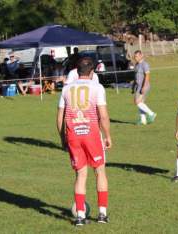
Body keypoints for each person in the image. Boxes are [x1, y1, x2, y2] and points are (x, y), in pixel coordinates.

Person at [56, 57, 112, 226]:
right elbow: (103, 115)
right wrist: (108, 135)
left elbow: (60, 117)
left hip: (73, 135)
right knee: (100, 171)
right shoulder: (97, 88)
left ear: (76, 71)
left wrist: (62, 138)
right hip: (92, 134)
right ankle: (102, 214)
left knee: (80, 175)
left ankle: (80, 216)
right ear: (92, 71)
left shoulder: (66, 89)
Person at [132, 50, 156, 125]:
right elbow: (136, 76)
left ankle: (151, 114)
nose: (135, 58)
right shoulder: (137, 65)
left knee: (137, 102)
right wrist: (133, 86)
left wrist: (144, 87)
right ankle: (143, 120)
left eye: (137, 56)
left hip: (143, 86)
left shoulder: (145, 64)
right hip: (137, 86)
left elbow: (147, 76)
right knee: (140, 102)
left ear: (141, 55)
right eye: (135, 56)